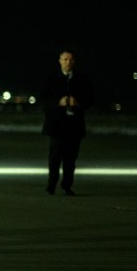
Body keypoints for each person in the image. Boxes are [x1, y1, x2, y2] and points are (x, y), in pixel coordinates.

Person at [38, 49, 95, 196]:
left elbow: (91, 99)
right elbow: (43, 100)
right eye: (65, 59)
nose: (68, 62)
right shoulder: (51, 79)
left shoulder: (82, 79)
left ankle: (67, 186)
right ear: (60, 61)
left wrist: (78, 102)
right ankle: (51, 185)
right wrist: (58, 102)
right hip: (56, 125)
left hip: (74, 125)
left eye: (70, 60)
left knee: (70, 159)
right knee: (55, 157)